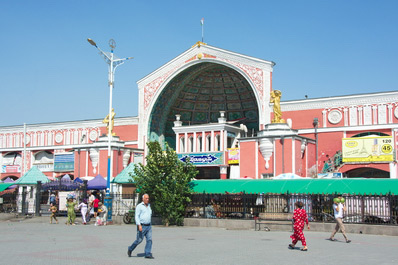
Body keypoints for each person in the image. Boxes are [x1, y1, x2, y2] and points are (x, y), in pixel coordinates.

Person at [127, 194, 154, 259]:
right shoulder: (139, 206)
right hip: (142, 226)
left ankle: (147, 253)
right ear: (143, 199)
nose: (147, 200)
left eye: (148, 198)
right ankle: (130, 249)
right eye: (146, 198)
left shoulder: (149, 205)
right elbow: (137, 216)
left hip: (148, 226)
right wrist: (139, 225)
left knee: (149, 240)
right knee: (139, 240)